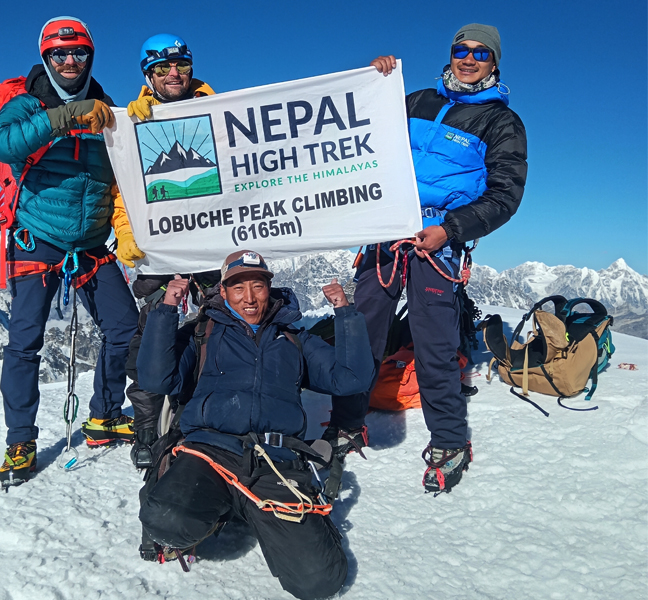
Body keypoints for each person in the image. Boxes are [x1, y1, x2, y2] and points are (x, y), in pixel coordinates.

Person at [333, 23, 528, 493]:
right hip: (386, 232)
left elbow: (505, 195)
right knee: (362, 330)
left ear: (494, 63)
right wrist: (374, 83)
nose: (469, 58)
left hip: (438, 239)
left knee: (435, 342)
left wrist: (451, 229)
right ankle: (346, 423)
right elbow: (362, 136)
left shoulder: (502, 123)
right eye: (462, 49)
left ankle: (449, 439)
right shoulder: (416, 100)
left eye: (481, 53)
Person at [135, 250, 376, 600]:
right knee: (166, 520)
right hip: (209, 452)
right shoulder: (203, 331)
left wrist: (344, 311)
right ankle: (219, 507)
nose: (249, 298)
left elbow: (352, 379)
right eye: (238, 288)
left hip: (275, 462)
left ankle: (241, 509)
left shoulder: (293, 338)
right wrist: (167, 308)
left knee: (318, 581)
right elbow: (156, 378)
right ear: (223, 290)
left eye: (258, 286)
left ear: (269, 289)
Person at [0, 16, 139, 486]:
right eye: (59, 54)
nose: (69, 61)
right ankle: (20, 440)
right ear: (46, 57)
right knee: (24, 342)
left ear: (90, 57)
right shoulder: (24, 103)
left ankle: (104, 416)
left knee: (124, 328)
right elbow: (3, 142)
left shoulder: (109, 108)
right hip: (38, 238)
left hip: (91, 241)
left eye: (78, 54)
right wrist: (65, 117)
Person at [110, 33, 221, 469]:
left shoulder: (219, 111)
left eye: (180, 65)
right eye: (161, 68)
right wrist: (127, 232)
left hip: (214, 245)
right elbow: (123, 193)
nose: (172, 74)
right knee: (151, 338)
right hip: (163, 249)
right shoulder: (133, 123)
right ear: (147, 75)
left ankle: (209, 413)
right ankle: (146, 426)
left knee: (220, 331)